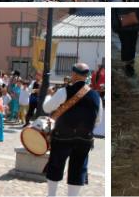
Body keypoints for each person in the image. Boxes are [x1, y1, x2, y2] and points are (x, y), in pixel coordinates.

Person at [44, 63, 102, 197]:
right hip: (84, 139)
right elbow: (98, 120)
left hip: (62, 137)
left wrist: (48, 95)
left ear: (74, 74)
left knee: (55, 166)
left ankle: (51, 195)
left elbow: (47, 108)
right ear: (87, 75)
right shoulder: (95, 96)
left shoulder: (63, 91)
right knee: (78, 169)